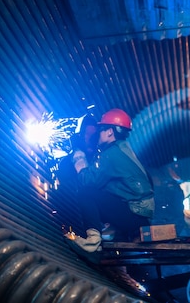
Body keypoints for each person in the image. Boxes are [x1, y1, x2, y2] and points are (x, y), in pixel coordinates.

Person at [65, 108, 155, 257]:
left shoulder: (111, 154)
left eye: (100, 130)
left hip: (135, 217)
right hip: (141, 216)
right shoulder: (122, 149)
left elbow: (86, 181)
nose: (97, 135)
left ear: (110, 132)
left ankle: (93, 243)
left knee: (86, 193)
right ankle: (106, 233)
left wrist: (79, 160)